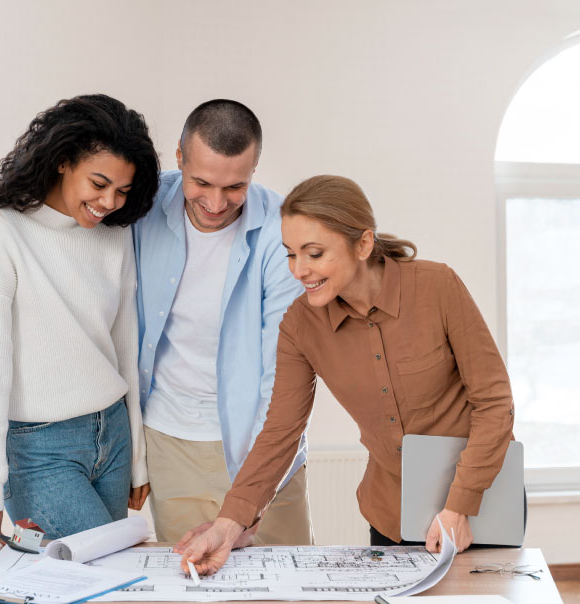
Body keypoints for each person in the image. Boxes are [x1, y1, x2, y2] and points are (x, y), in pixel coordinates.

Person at [178, 174, 515, 574]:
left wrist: (459, 505)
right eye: (290, 254)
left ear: (363, 244)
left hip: (481, 507)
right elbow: (280, 433)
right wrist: (229, 523)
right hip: (392, 516)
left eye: (314, 253)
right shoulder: (300, 326)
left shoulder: (437, 286)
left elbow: (494, 404)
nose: (299, 270)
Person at [0, 94, 159, 559]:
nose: (108, 202)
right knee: (110, 579)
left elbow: (125, 349)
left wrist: (137, 458)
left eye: (121, 191)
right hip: (40, 450)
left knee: (99, 583)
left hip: (113, 434)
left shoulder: (114, 236)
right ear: (62, 162)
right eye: (99, 183)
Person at [133, 99, 313, 544]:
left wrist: (257, 480)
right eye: (201, 182)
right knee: (188, 585)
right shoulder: (143, 208)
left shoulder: (281, 229)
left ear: (255, 168)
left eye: (235, 186)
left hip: (261, 446)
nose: (216, 203)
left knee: (283, 590)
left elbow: (283, 368)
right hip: (170, 440)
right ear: (178, 156)